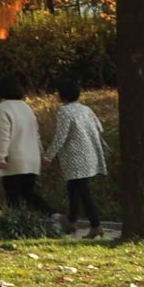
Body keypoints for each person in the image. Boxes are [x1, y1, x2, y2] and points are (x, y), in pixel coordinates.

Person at [41, 73, 108, 238]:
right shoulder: (86, 109)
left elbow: (61, 136)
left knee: (83, 191)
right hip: (90, 154)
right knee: (73, 188)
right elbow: (99, 128)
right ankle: (72, 221)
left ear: (62, 94)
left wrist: (48, 156)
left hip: (75, 157)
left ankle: (96, 225)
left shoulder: (64, 111)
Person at [0, 72, 54, 220]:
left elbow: (2, 135)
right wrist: (41, 154)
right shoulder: (27, 108)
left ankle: (16, 225)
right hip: (31, 158)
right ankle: (52, 214)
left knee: (13, 196)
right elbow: (36, 133)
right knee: (28, 192)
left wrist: (0, 157)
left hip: (14, 159)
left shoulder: (2, 109)